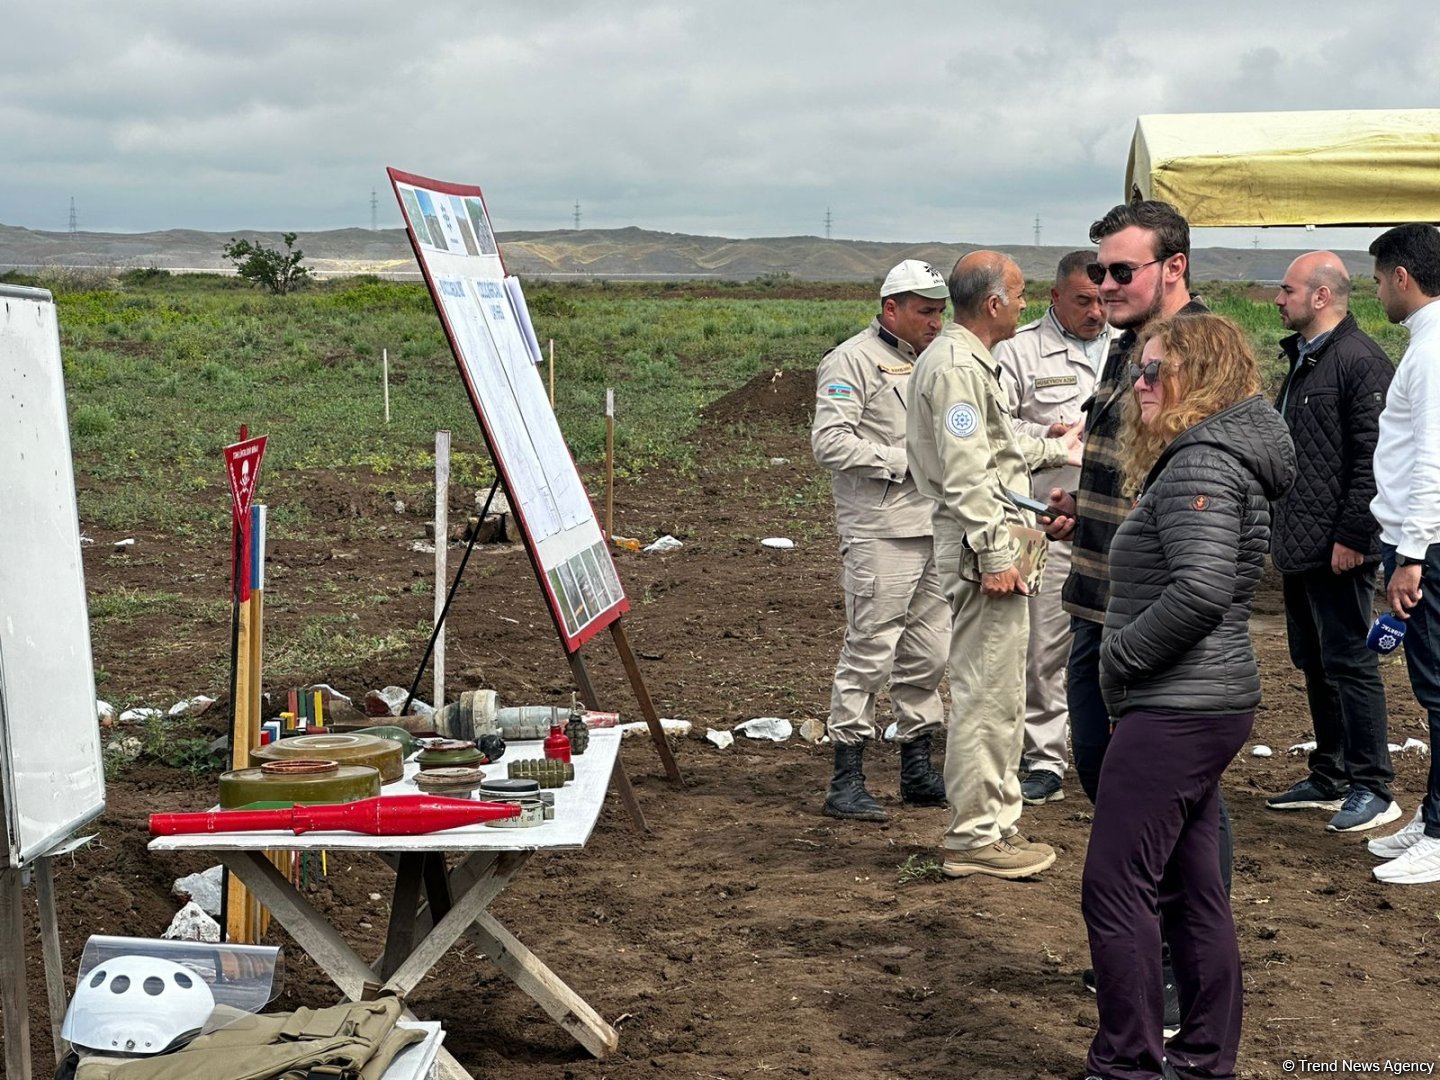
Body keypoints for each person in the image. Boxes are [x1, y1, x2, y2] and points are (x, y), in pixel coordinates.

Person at [1082, 314, 1295, 1080]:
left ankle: (1127, 1064)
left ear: (1197, 379)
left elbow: (1202, 590)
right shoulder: (1211, 456)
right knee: (1190, 886)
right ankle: (1202, 1061)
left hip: (1178, 704)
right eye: (1138, 370)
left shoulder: (1203, 464)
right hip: (1202, 700)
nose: (1139, 384)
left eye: (1153, 370)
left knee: (1114, 886)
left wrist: (1121, 657)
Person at [1047, 200, 1216, 1037]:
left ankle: (1181, 974)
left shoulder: (1195, 354)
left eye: (1122, 270)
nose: (1102, 284)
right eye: (1097, 271)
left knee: (1173, 811)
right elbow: (1139, 468)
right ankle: (1147, 951)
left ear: (1173, 267)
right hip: (1095, 599)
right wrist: (1083, 504)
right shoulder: (1130, 345)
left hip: (1148, 620)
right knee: (1111, 787)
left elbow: (1200, 488)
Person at [907, 251, 1081, 879]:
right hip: (987, 541)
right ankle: (976, 835)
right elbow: (966, 473)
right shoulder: (956, 367)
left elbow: (994, 449)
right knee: (986, 689)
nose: (1025, 303)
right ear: (993, 304)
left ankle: (998, 821)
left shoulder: (968, 362)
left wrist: (1055, 446)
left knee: (1005, 687)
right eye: (1018, 292)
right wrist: (997, 553)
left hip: (1001, 531)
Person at [1263, 252, 1398, 832]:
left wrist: (1354, 535)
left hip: (1337, 545)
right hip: (1300, 541)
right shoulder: (1306, 359)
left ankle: (1373, 784)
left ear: (1320, 297)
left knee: (1349, 660)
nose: (1277, 298)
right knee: (1313, 659)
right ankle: (1331, 771)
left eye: (1288, 289)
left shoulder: (1360, 362)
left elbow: (1376, 459)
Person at [812, 259, 951, 821]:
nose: (935, 322)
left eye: (941, 311)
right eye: (925, 311)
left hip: (935, 526)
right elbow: (830, 443)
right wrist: (906, 462)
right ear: (891, 308)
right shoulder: (851, 360)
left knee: (928, 654)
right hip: (881, 531)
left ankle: (916, 770)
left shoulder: (938, 363)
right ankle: (846, 779)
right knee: (870, 651)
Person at [994, 250, 1110, 805]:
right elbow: (994, 427)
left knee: (1108, 640)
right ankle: (1043, 756)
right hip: (1037, 522)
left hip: (1109, 521)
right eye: (1083, 301)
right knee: (1039, 644)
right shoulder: (1017, 351)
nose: (1096, 311)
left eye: (1103, 299)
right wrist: (1047, 430)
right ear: (1054, 298)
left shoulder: (1128, 346)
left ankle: (1102, 746)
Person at [1364, 224, 1440, 885]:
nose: (1378, 290)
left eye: (1379, 278)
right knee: (1432, 686)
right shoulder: (1427, 344)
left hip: (1428, 545)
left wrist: (1412, 551)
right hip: (1420, 540)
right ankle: (1435, 813)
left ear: (1402, 278)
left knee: (1439, 689)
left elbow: (1432, 458)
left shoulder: (1434, 349)